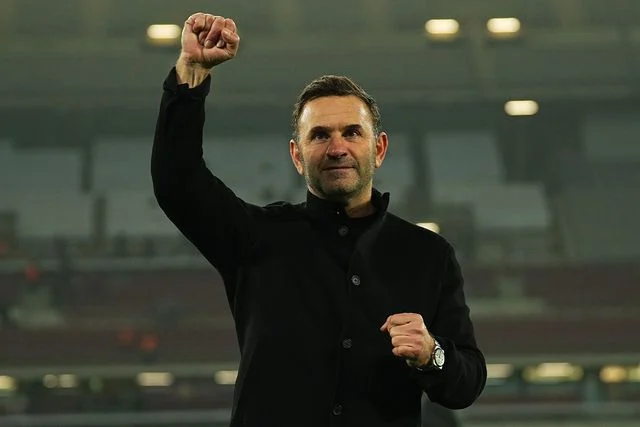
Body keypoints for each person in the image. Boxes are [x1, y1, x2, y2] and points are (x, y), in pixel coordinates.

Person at [152, 12, 486, 427]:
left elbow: (467, 383)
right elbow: (177, 182)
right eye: (320, 135)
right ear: (296, 155)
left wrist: (432, 354)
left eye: (352, 132)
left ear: (379, 149)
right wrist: (192, 71)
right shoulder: (254, 238)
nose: (337, 148)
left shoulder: (428, 255)